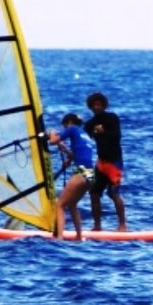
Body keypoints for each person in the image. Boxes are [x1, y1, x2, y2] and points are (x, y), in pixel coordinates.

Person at [83, 92, 127, 231]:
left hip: (114, 162)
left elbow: (116, 136)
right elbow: (88, 137)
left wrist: (103, 131)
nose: (97, 107)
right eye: (94, 105)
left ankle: (122, 225)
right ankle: (97, 226)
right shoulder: (90, 124)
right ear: (90, 107)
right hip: (101, 162)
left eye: (99, 105)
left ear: (104, 105)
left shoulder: (112, 118)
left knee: (113, 193)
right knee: (94, 193)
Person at [48, 112, 94, 238]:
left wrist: (52, 133)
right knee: (72, 204)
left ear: (68, 123)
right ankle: (79, 236)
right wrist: (63, 148)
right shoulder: (84, 134)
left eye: (64, 126)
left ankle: (59, 238)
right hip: (90, 174)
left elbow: (52, 141)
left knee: (60, 204)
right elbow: (75, 155)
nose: (64, 129)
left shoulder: (72, 129)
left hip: (80, 171)